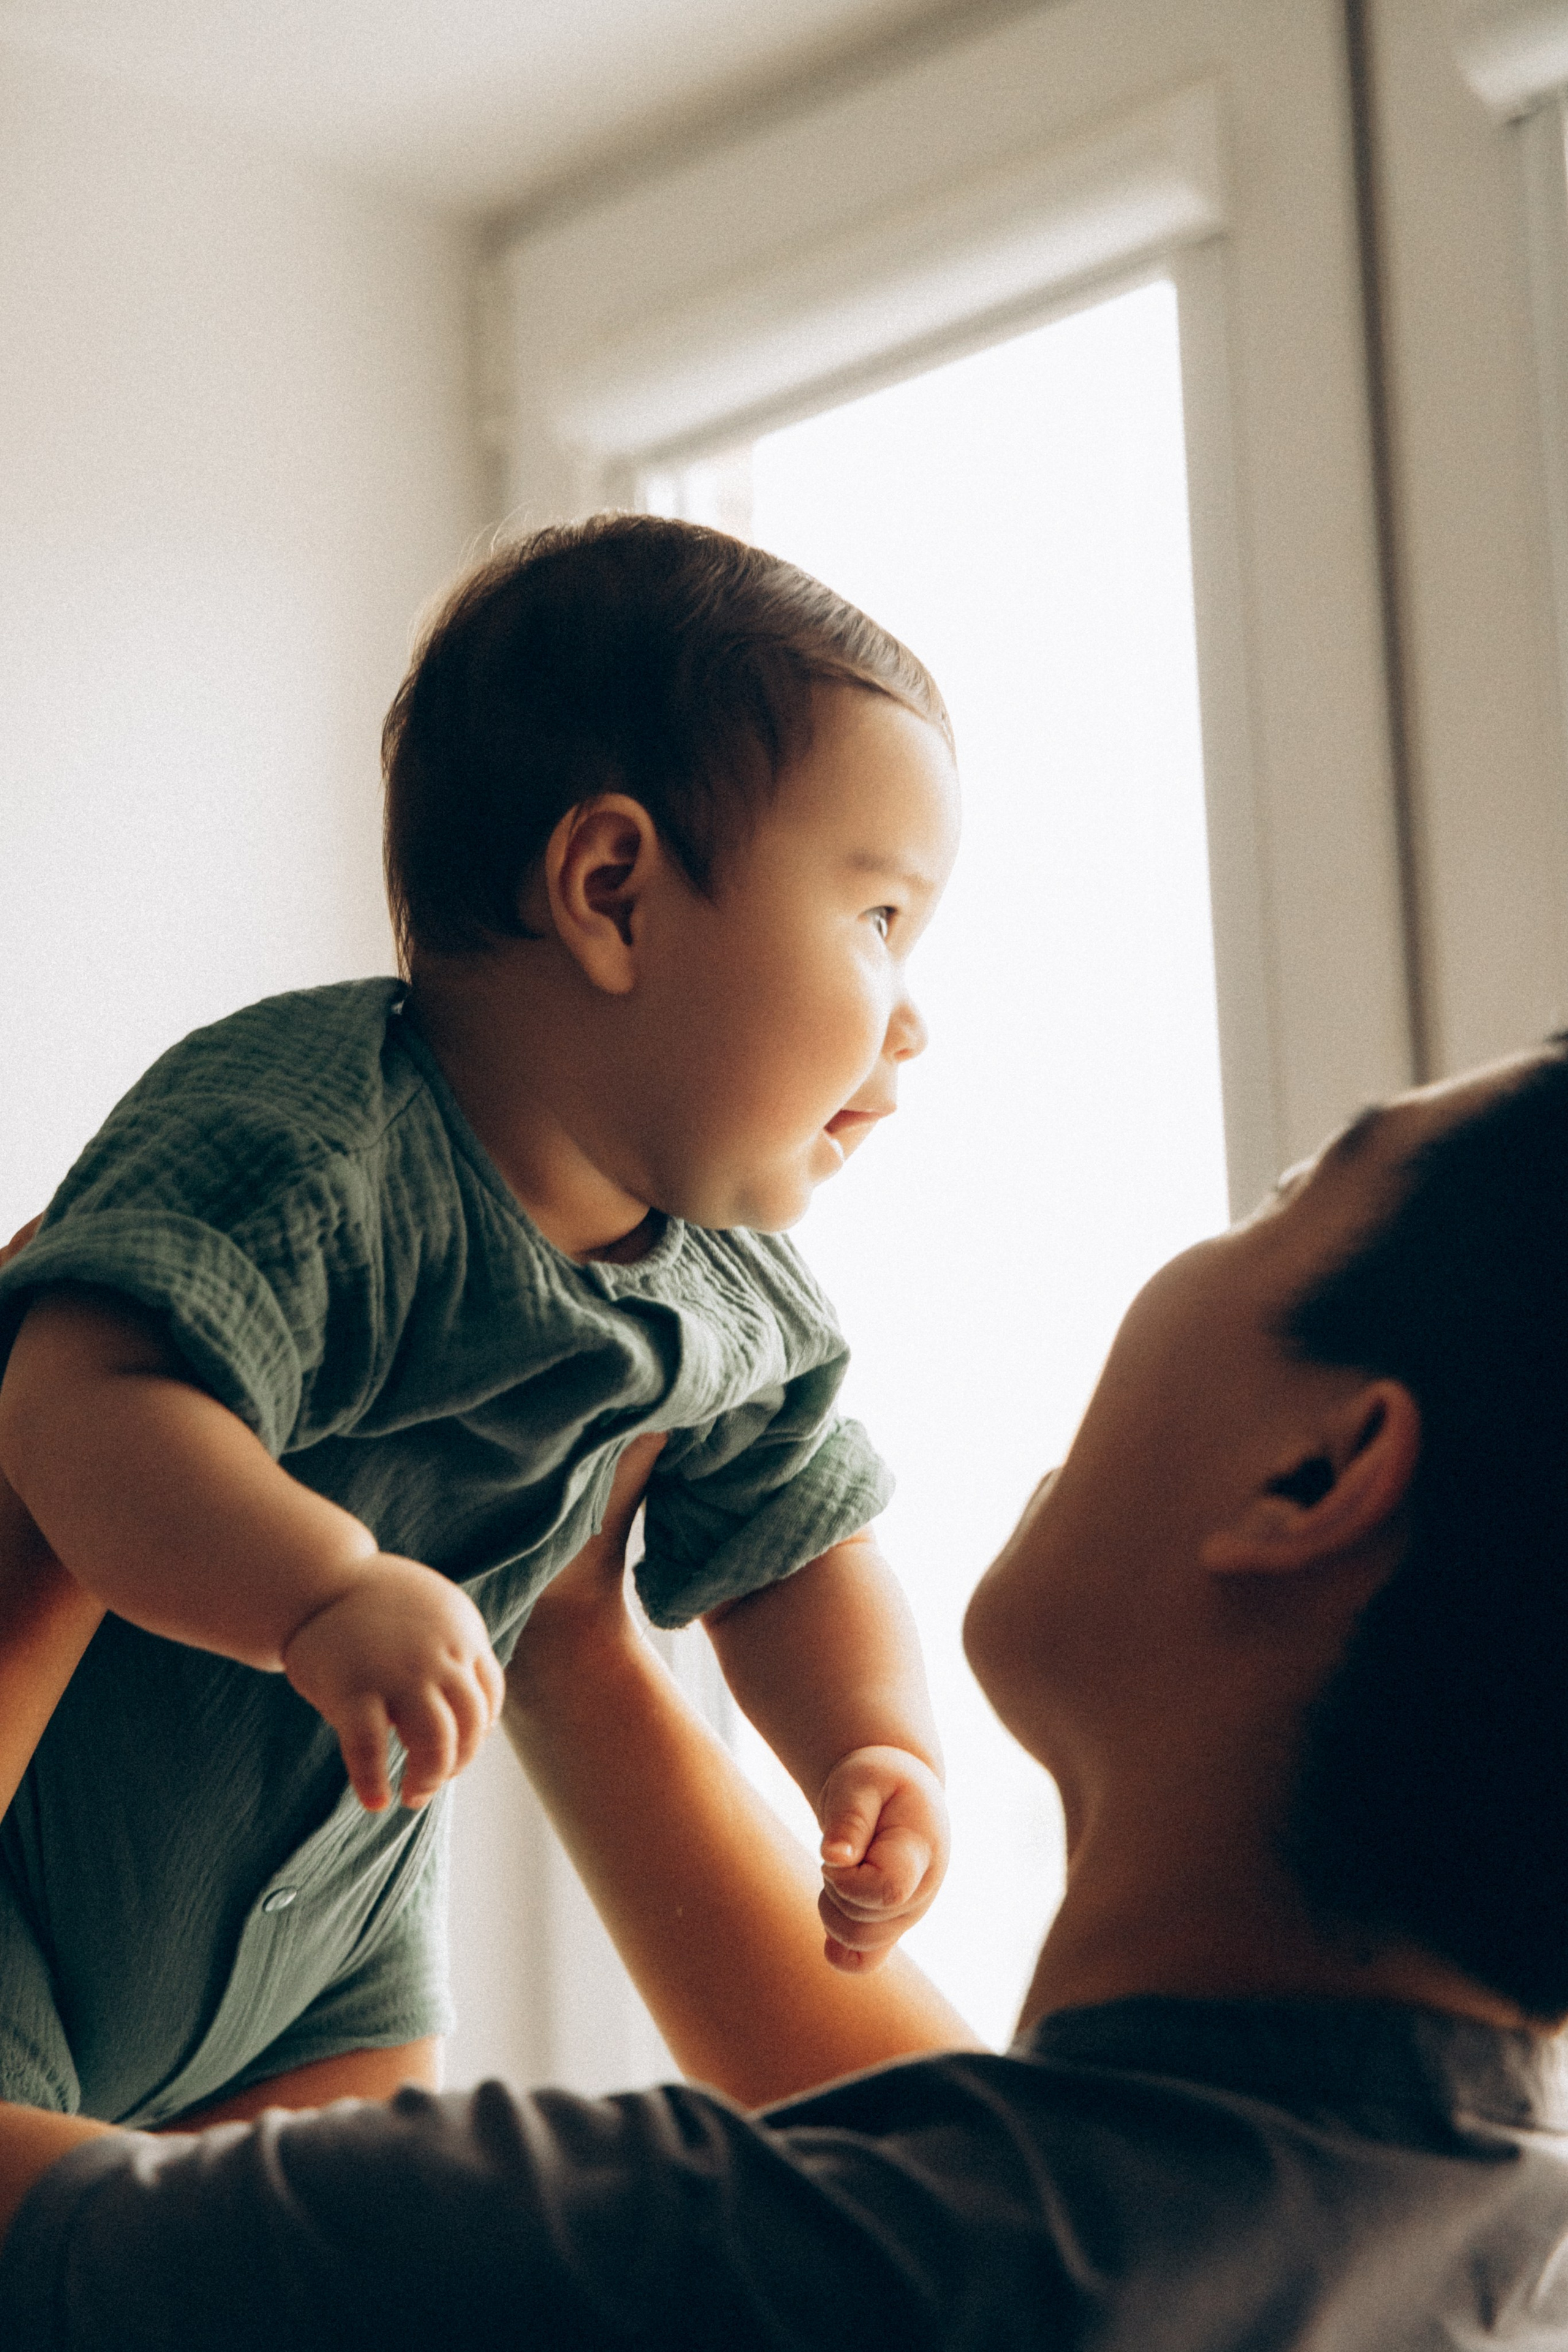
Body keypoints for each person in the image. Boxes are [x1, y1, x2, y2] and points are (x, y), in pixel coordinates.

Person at [5, 1040, 1568, 2348]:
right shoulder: (1471, 2235)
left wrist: (66, 1400)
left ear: (1315, 1473)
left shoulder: (623, 2274)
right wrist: (579, 1636)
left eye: (1291, 1195)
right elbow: (994, 2176)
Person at [0, 515, 959, 2131]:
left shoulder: (724, 1283)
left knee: (341, 2256)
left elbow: (798, 1547)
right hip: (36, 1894)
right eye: (878, 920)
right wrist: (323, 1592)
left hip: (330, 1963)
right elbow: (71, 1401)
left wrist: (879, 1754)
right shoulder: (317, 1139)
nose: (913, 1016)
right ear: (612, 889)